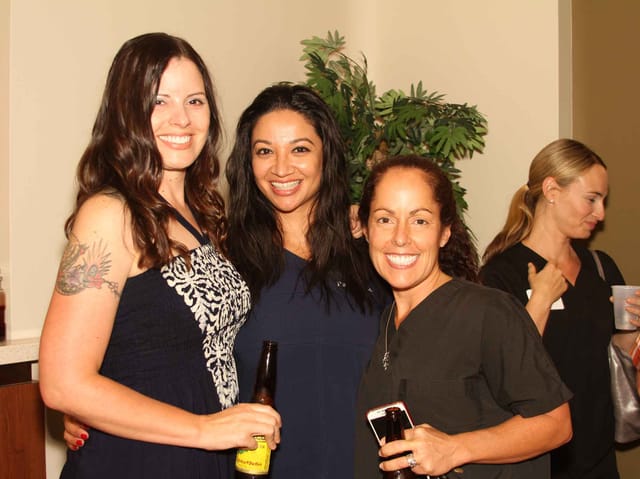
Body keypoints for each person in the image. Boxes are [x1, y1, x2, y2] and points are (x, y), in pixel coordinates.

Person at [38, 33, 280, 478]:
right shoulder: (109, 214)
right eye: (158, 101)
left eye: (195, 101)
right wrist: (204, 429)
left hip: (203, 459)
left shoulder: (205, 215)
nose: (181, 118)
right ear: (126, 112)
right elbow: (62, 384)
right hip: (137, 461)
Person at [354, 154, 573, 478]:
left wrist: (455, 448)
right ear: (365, 229)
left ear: (444, 232)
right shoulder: (385, 320)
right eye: (385, 219)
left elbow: (555, 423)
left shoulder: (489, 312)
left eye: (420, 221)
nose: (400, 237)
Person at [225, 83, 386, 479]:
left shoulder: (372, 257)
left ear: (326, 155)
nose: (281, 168)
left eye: (299, 149)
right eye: (265, 151)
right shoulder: (225, 263)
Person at [480, 138, 640, 478]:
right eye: (591, 199)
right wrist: (540, 300)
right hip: (539, 460)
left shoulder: (601, 266)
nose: (601, 213)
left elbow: (613, 357)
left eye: (603, 201)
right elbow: (500, 371)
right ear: (552, 190)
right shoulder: (500, 273)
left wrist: (632, 331)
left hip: (599, 458)